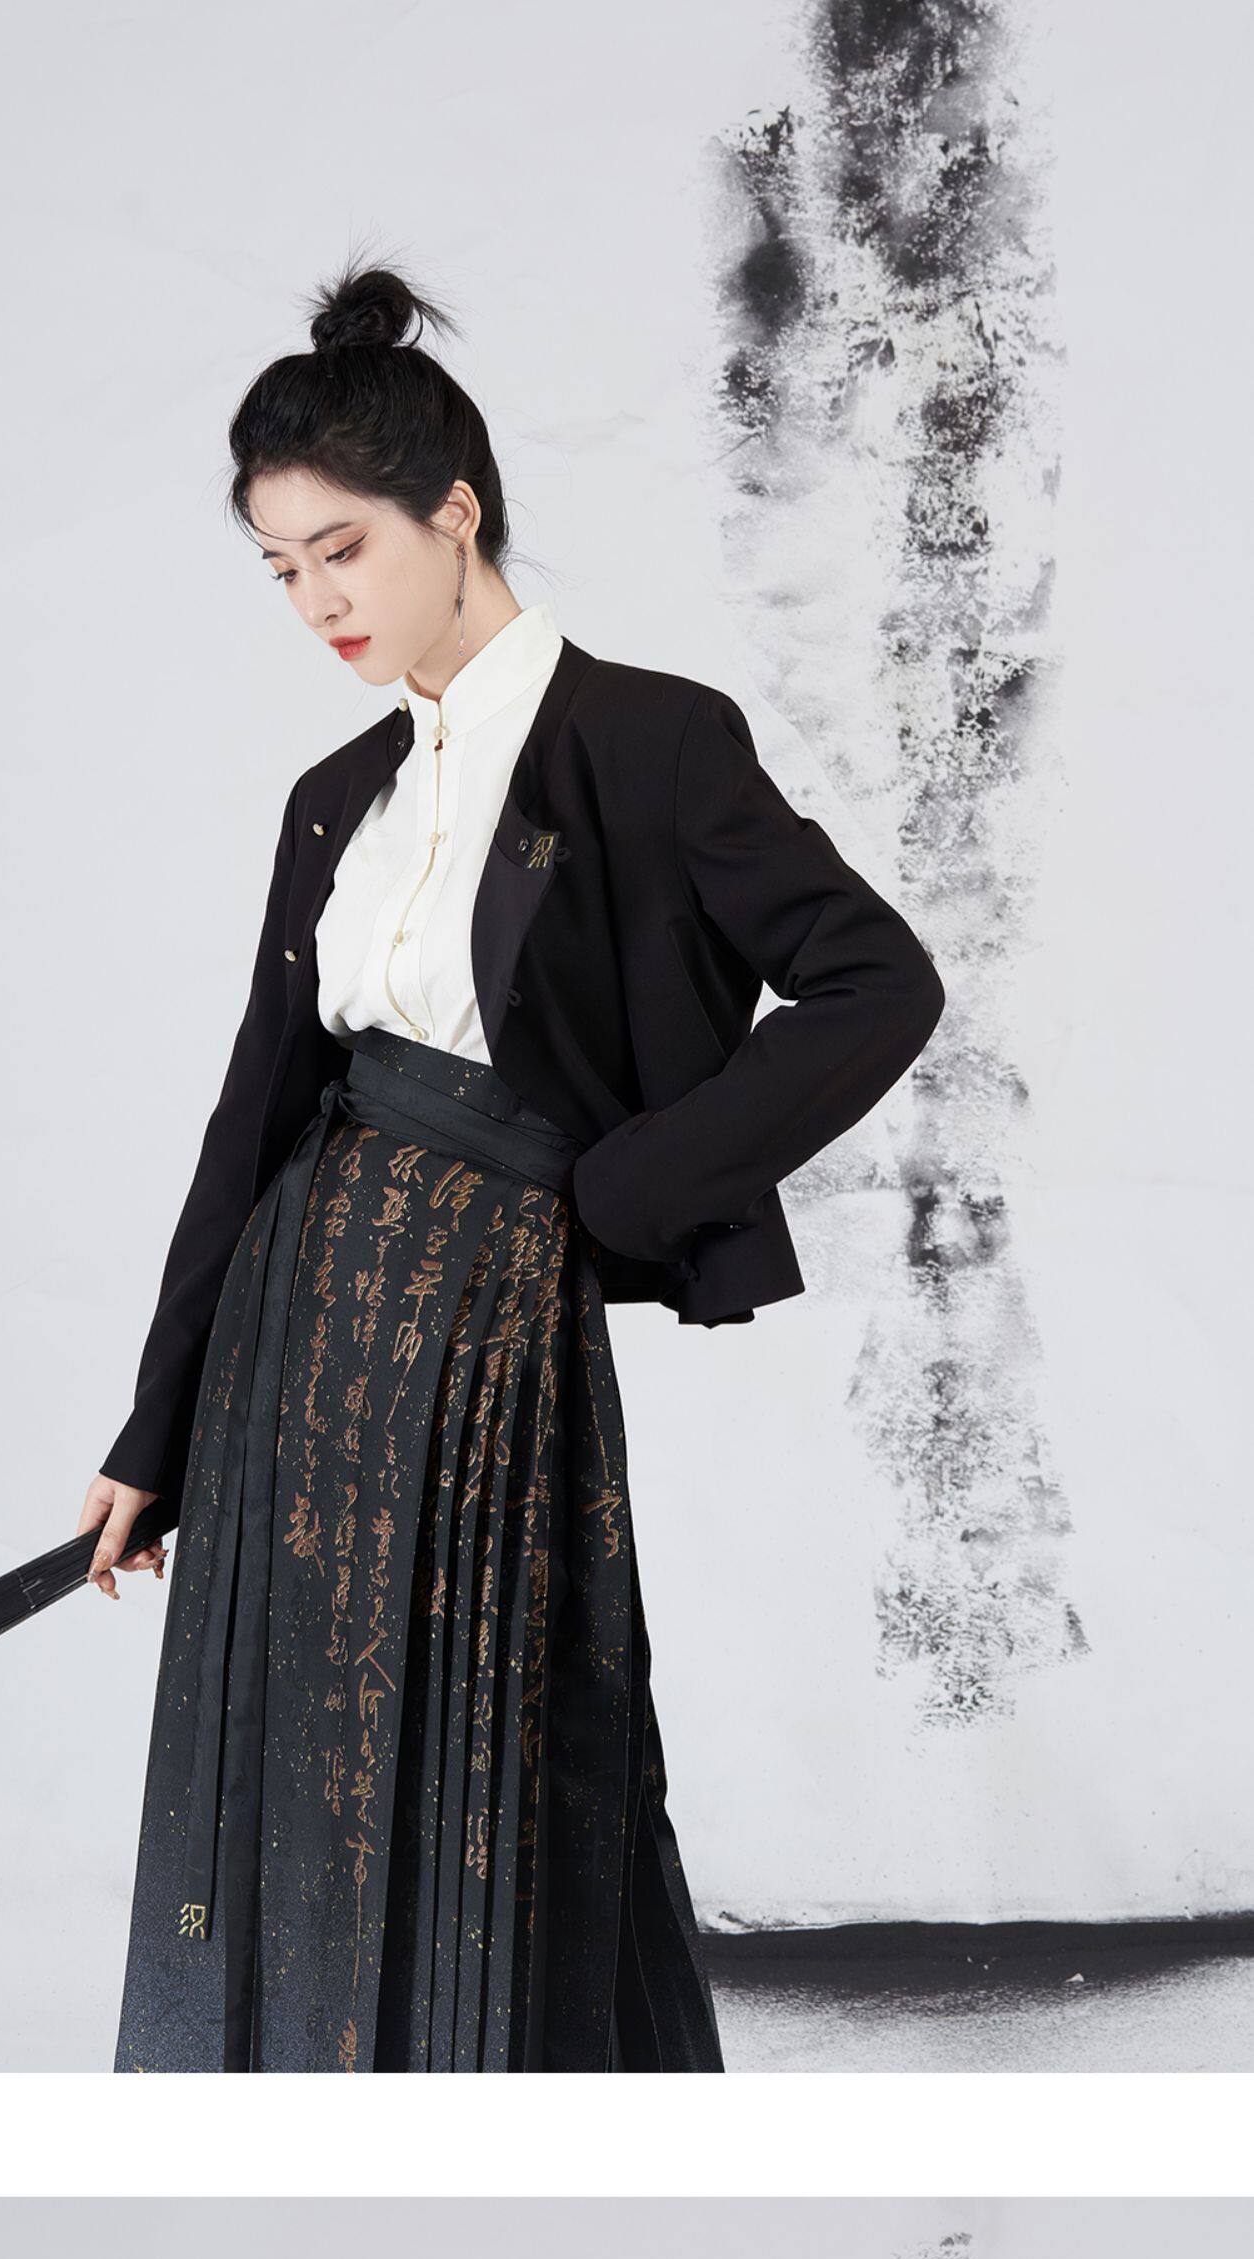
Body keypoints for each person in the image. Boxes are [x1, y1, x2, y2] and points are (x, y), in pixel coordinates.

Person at [81, 253, 946, 2074]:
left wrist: (624, 1192)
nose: (316, 600)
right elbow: (253, 1114)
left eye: (343, 549)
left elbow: (879, 982)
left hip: (489, 1329)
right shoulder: (337, 795)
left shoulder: (649, 740)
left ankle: (524, 2153)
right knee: (297, 1758)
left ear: (455, 512)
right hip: (294, 1330)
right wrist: (154, 1430)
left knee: (507, 1739)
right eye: (281, 568)